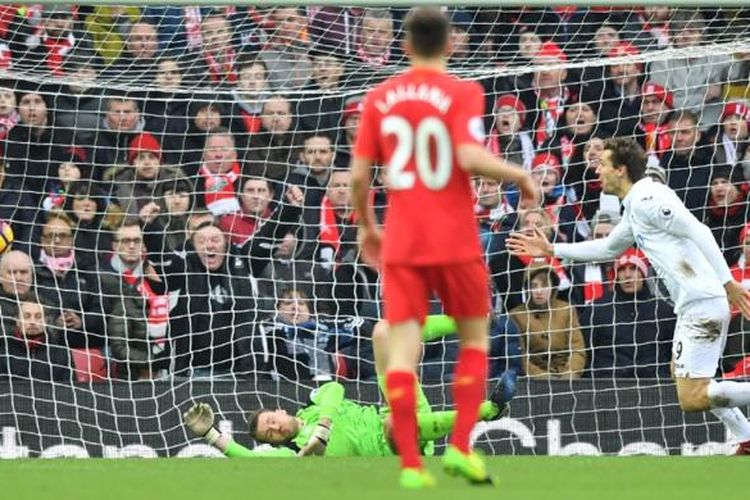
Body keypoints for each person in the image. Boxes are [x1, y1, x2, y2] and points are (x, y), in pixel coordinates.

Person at [350, 7, 537, 487]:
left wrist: (368, 227)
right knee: (476, 340)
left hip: (403, 238)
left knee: (401, 348)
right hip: (454, 236)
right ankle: (457, 449)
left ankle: (412, 464)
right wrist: (516, 174)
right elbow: (467, 154)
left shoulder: (380, 98)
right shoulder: (462, 92)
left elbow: (357, 176)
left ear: (406, 44)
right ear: (450, 44)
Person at [507, 137, 750, 456]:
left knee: (692, 397)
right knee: (685, 377)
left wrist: (728, 283)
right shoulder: (634, 206)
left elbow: (700, 231)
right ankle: (745, 437)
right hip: (696, 302)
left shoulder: (649, 196)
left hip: (702, 300)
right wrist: (553, 249)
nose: (597, 170)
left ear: (621, 170)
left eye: (603, 164)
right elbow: (607, 248)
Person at [183, 315, 513, 458]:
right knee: (394, 423)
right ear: (276, 441)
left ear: (280, 411)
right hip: (397, 446)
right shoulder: (302, 451)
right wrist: (211, 435)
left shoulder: (312, 405)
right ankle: (489, 409)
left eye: (271, 420)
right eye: (270, 433)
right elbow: (250, 460)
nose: (275, 427)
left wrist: (324, 424)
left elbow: (336, 389)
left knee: (384, 332)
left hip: (398, 406)